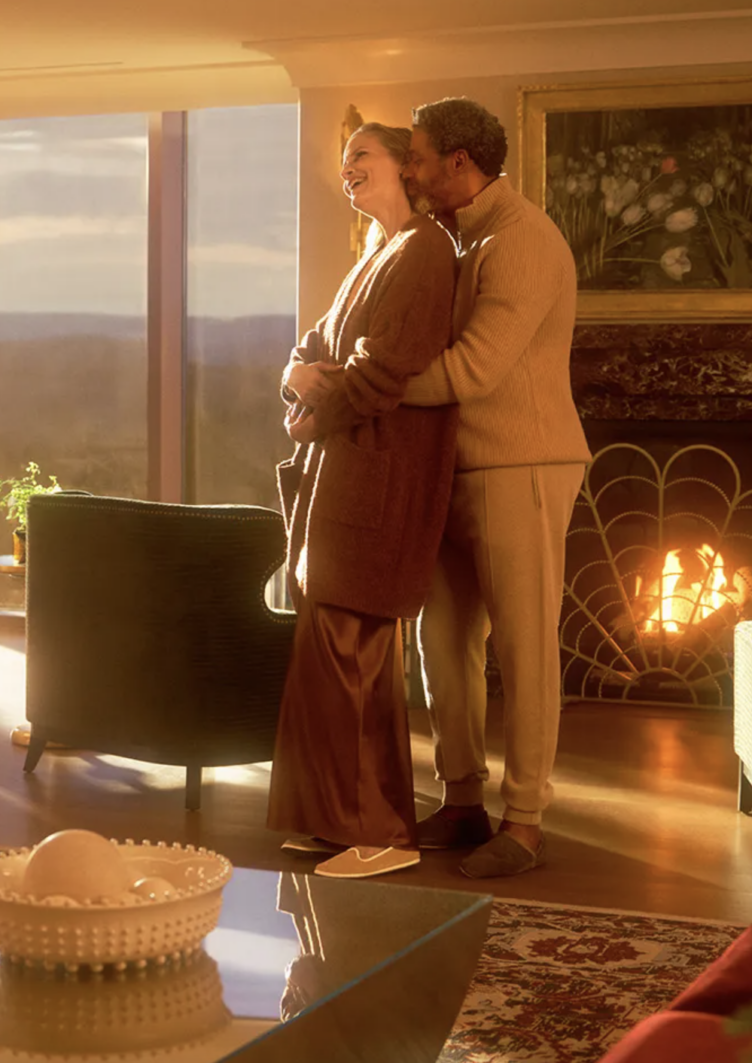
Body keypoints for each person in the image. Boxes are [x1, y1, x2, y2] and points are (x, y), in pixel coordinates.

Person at [400, 97, 591, 878]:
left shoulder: (523, 240)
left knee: (524, 644)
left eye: (416, 157)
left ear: (459, 162)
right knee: (442, 640)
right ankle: (461, 800)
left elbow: (474, 369)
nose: (409, 171)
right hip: (452, 467)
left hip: (524, 464)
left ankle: (526, 821)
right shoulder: (450, 238)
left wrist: (363, 389)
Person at [266, 122, 458, 880]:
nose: (347, 169)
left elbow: (383, 373)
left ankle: (384, 832)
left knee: (356, 648)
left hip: (380, 477)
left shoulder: (425, 252)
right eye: (343, 160)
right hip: (339, 472)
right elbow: (312, 346)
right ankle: (331, 821)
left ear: (405, 167)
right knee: (325, 646)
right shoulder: (374, 254)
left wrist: (310, 414)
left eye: (361, 157)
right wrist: (294, 377)